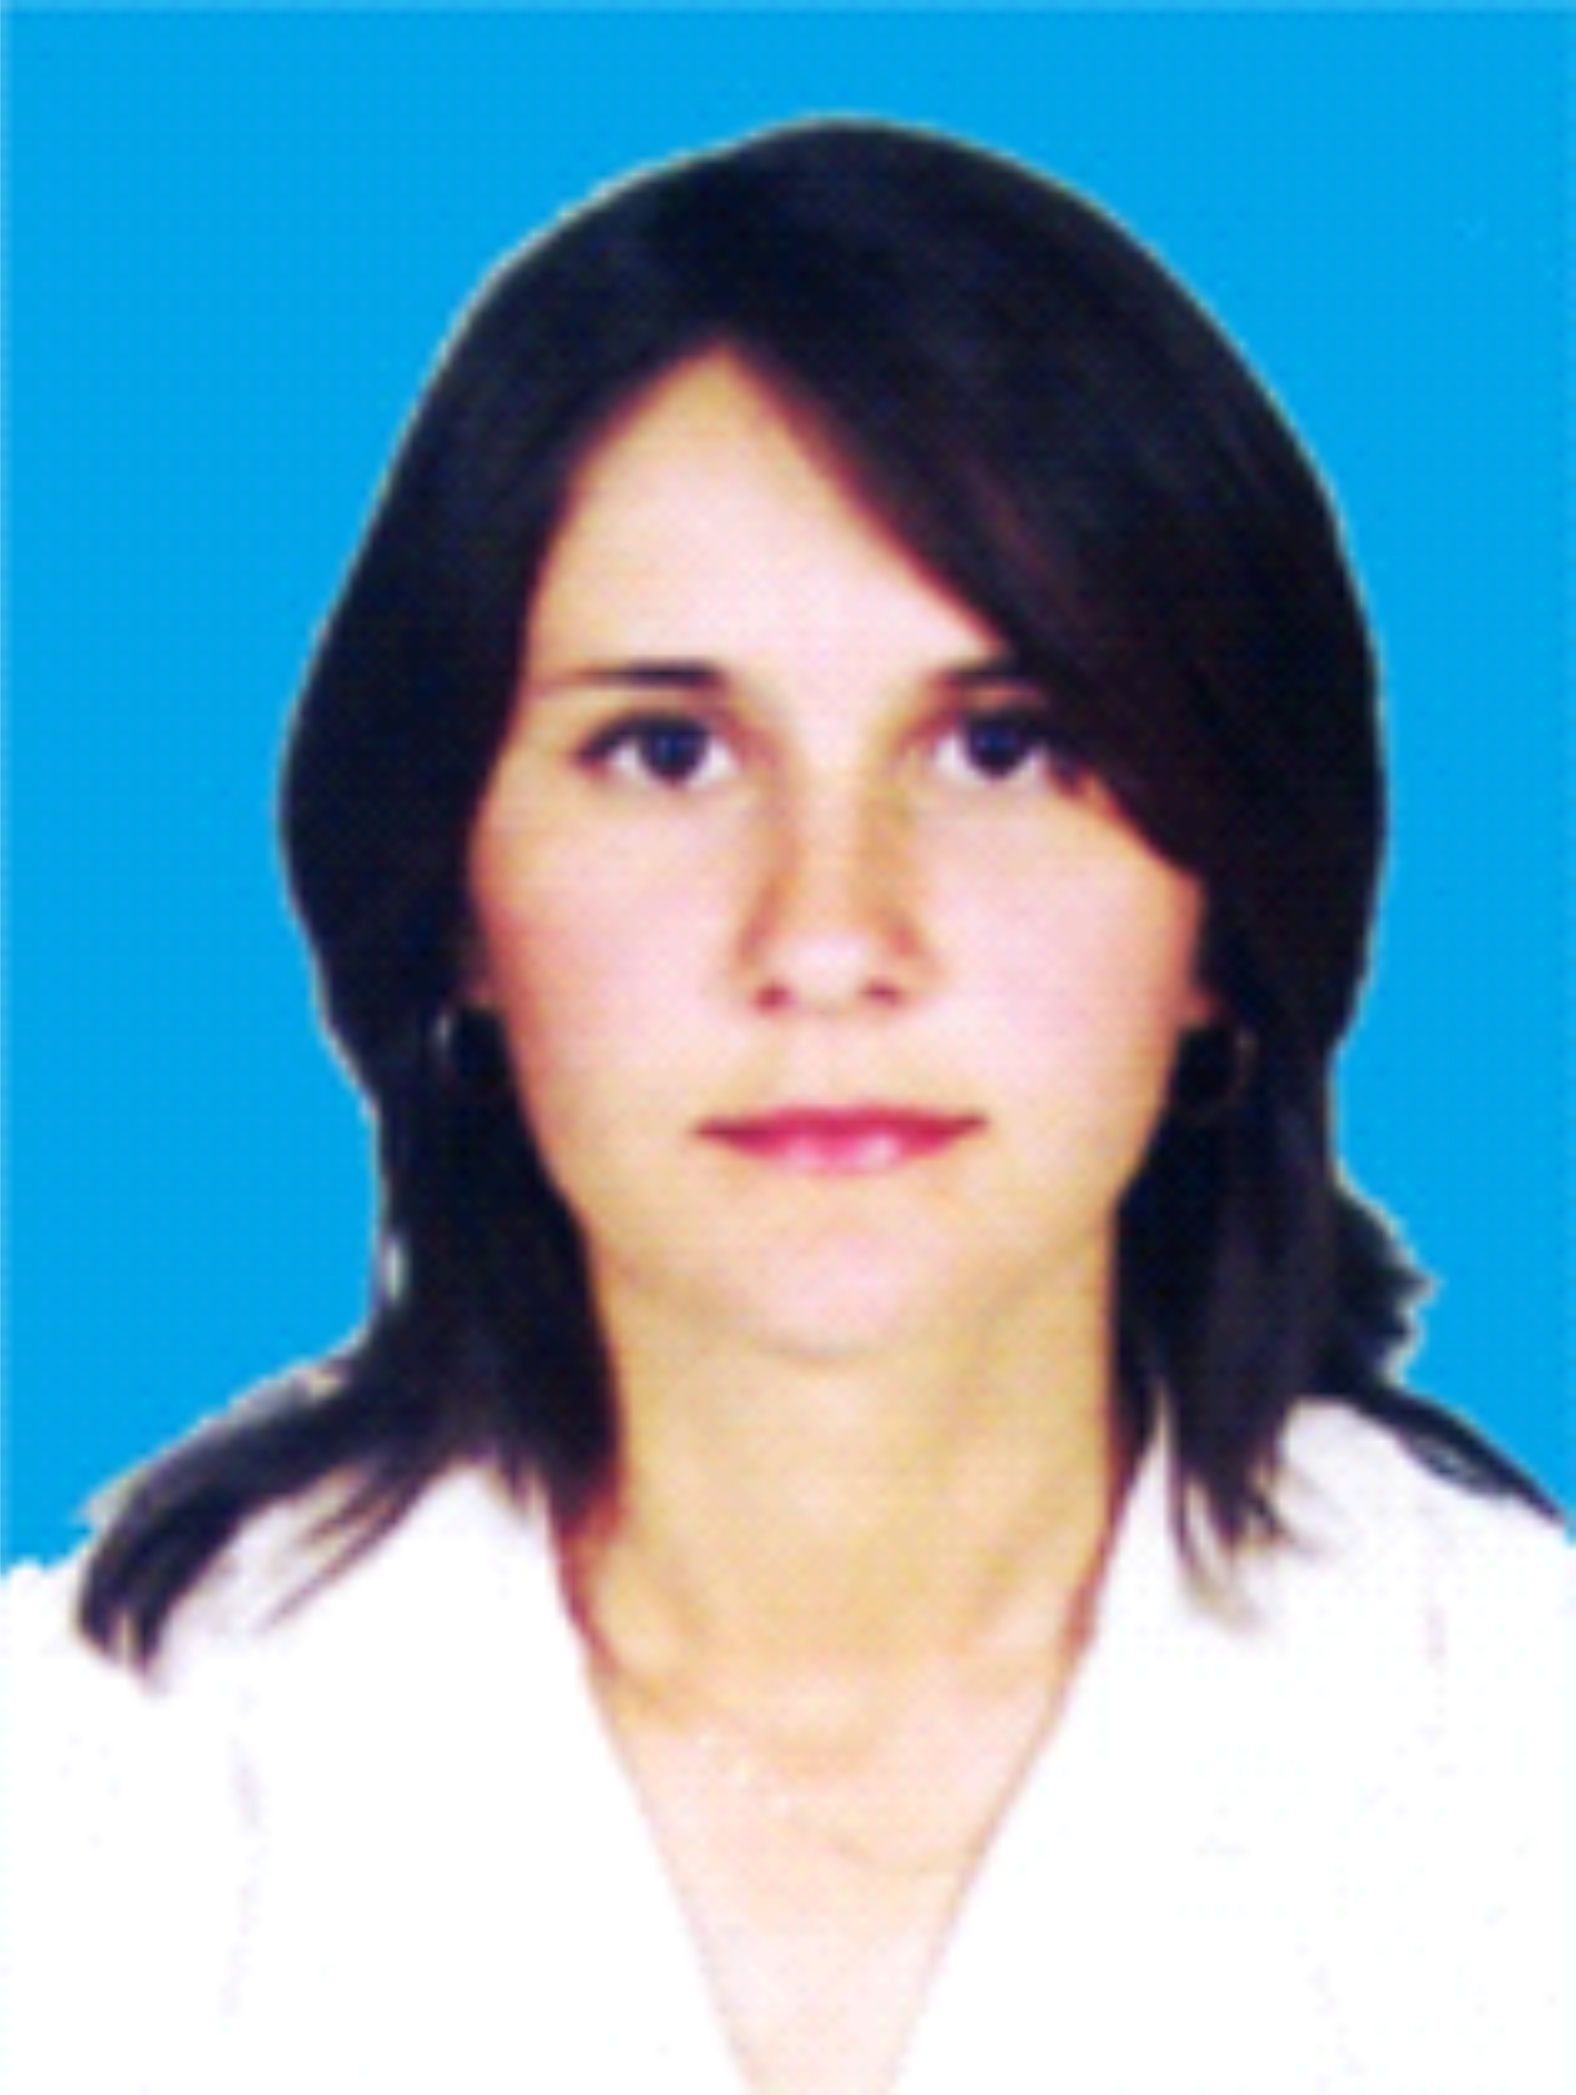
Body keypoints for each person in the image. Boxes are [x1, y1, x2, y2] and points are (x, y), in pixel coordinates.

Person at [3, 118, 1570, 2095]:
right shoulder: (94, 1792)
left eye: (1003, 747)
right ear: (455, 894)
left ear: (1222, 909)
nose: (828, 939)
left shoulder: (1517, 1760)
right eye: (666, 750)